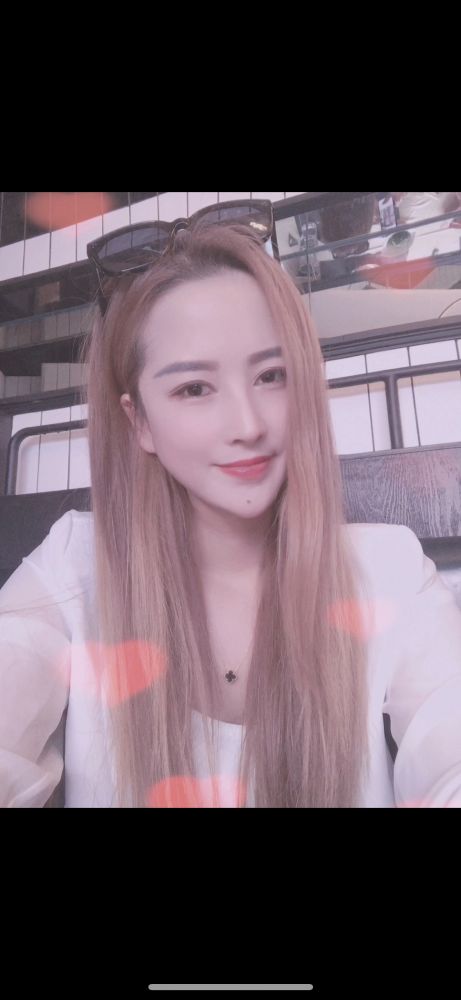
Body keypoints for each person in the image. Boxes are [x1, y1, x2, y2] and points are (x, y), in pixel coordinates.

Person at [2, 198, 461, 808]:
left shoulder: (387, 571)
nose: (248, 425)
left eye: (271, 375)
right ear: (139, 422)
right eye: (194, 388)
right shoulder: (73, 569)